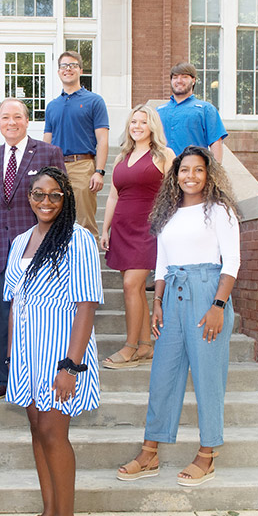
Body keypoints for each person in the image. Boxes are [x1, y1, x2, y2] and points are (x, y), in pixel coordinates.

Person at [117, 146, 240, 487]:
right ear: (176, 174)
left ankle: (207, 454)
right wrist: (158, 301)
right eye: (184, 170)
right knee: (163, 376)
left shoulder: (220, 210)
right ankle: (150, 451)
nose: (190, 176)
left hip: (207, 291)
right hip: (172, 292)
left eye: (198, 170)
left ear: (208, 174)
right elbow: (161, 262)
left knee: (208, 379)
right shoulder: (167, 212)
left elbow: (231, 261)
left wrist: (218, 306)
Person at [5, 166, 103, 516]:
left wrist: (71, 366)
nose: (45, 201)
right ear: (28, 196)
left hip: (60, 353)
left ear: (66, 199)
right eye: (38, 194)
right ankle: (49, 511)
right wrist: (14, 359)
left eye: (54, 195)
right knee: (37, 430)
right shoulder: (20, 241)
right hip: (27, 356)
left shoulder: (77, 239)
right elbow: (15, 304)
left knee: (53, 432)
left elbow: (86, 304)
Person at [0, 98, 67, 401]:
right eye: (4, 117)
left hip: (40, 254)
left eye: (17, 117)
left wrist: (57, 249)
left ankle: (41, 374)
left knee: (40, 320)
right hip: (0, 256)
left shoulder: (49, 153)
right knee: (2, 321)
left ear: (28, 121)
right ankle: (6, 377)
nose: (11, 122)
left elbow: (63, 203)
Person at [100, 104, 175, 368]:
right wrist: (105, 228)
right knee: (137, 290)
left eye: (143, 122)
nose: (138, 126)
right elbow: (113, 195)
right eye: (134, 122)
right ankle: (145, 345)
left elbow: (173, 194)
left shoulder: (164, 154)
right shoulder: (121, 157)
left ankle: (130, 347)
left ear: (152, 126)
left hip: (149, 229)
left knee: (132, 285)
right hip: (122, 227)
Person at [43, 50, 109, 237]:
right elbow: (47, 139)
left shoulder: (94, 101)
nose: (68, 69)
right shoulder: (52, 106)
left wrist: (99, 171)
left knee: (84, 224)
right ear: (58, 72)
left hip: (82, 166)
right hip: (56, 168)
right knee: (54, 222)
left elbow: (103, 139)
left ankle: (88, 265)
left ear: (81, 70)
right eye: (64, 66)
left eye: (72, 65)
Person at [157, 63, 227, 162]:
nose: (179, 81)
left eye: (184, 77)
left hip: (192, 171)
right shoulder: (158, 111)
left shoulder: (206, 109)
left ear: (193, 80)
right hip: (163, 171)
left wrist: (214, 173)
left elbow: (216, 143)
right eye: (175, 77)